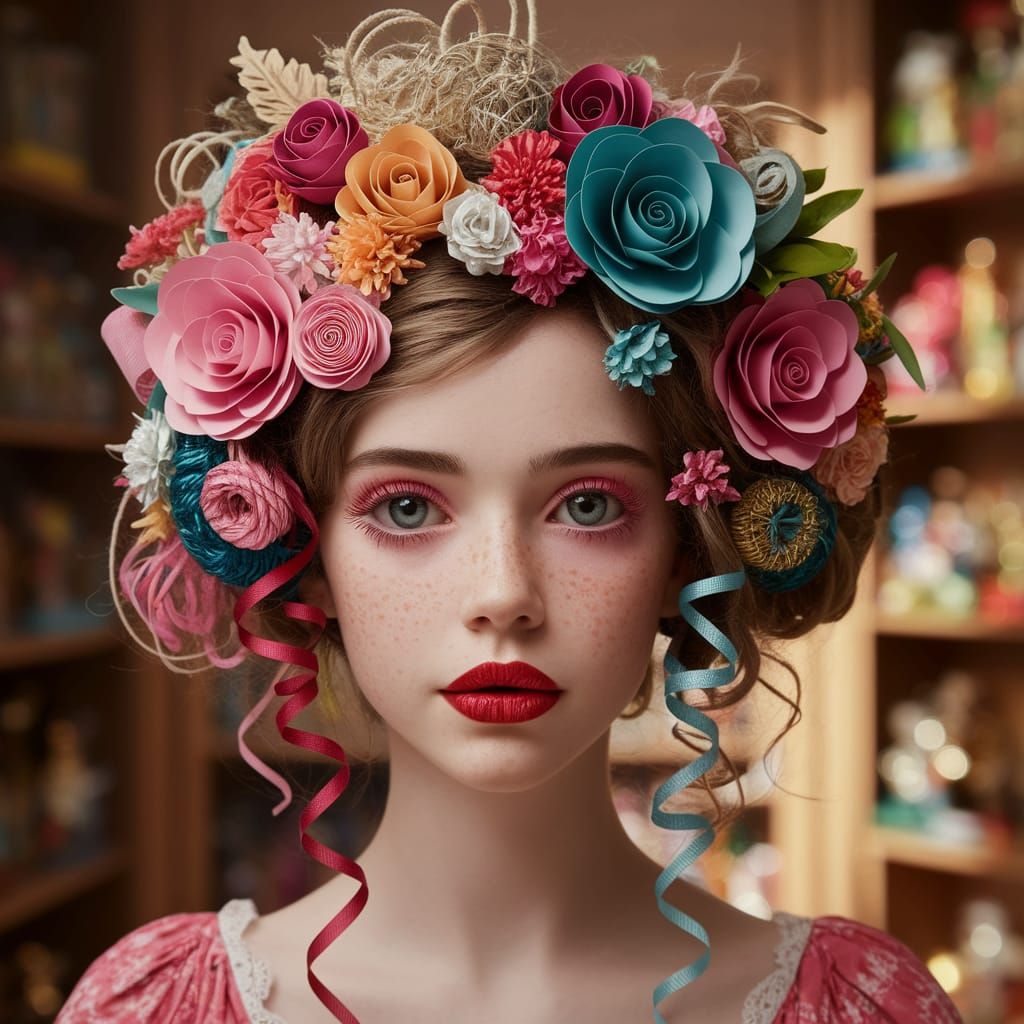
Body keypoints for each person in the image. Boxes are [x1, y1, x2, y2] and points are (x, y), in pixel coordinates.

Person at [57, 2, 963, 1021]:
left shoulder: (861, 1009)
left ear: (685, 543)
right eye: (405, 506)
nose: (502, 596)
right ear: (299, 544)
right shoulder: (152, 1009)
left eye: (585, 503)